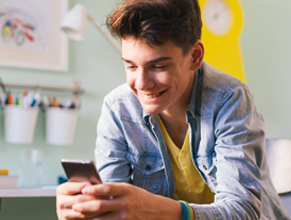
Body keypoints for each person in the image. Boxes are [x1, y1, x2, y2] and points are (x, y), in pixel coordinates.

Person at [56, 0, 291, 219]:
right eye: (130, 66)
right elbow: (114, 208)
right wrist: (89, 209)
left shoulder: (229, 99)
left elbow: (242, 212)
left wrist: (151, 208)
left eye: (158, 66)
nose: (141, 83)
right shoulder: (118, 109)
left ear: (195, 56)